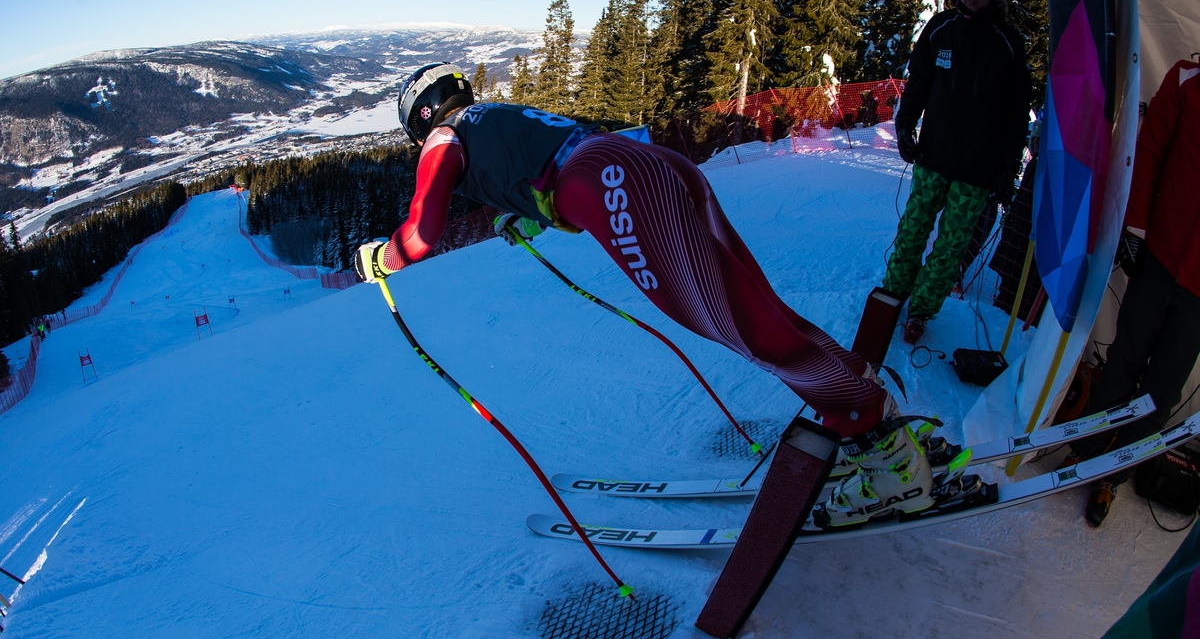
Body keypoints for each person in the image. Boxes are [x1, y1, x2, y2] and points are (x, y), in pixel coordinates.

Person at [355, 63, 939, 527]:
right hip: (641, 163)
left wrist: (380, 258)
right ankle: (870, 403)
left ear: (422, 116)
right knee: (751, 304)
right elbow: (547, 164)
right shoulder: (490, 115)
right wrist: (529, 215)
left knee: (737, 324)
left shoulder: (445, 135)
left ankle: (881, 451)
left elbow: (421, 236)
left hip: (614, 187)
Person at [1062, 57, 1200, 527]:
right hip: (1161, 258)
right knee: (1123, 361)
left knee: (1162, 390)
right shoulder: (1186, 80)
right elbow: (1150, 153)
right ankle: (1084, 449)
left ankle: (1112, 476)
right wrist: (1135, 228)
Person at [882, 0, 1032, 343]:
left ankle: (921, 311)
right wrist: (904, 128)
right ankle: (893, 294)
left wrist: (1007, 170)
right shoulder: (939, 29)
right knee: (912, 230)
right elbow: (917, 87)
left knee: (950, 248)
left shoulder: (1008, 43)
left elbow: (1018, 118)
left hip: (976, 173)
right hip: (932, 158)